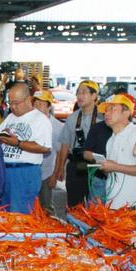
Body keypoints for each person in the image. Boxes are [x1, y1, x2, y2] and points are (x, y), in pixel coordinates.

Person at [0, 83, 51, 214]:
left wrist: (17, 143)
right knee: (2, 213)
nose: (12, 107)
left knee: (19, 214)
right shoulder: (10, 117)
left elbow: (45, 147)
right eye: (10, 103)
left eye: (16, 103)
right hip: (5, 170)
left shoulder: (40, 120)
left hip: (24, 173)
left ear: (28, 100)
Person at [94, 93, 136, 209]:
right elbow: (112, 171)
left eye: (112, 109)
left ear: (127, 112)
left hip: (131, 207)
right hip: (112, 204)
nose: (107, 113)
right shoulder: (111, 139)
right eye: (106, 110)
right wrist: (105, 167)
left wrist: (115, 167)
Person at [54, 80, 100, 208]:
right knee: (74, 204)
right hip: (77, 165)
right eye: (78, 92)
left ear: (94, 96)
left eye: (84, 92)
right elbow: (65, 144)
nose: (79, 96)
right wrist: (61, 167)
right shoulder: (73, 118)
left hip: (98, 167)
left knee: (97, 205)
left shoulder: (103, 117)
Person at [33, 90, 64, 215]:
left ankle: (52, 231)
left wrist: (55, 175)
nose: (37, 106)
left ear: (49, 106)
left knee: (46, 207)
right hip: (30, 172)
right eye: (35, 103)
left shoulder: (57, 126)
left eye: (41, 104)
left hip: (46, 174)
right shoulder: (29, 122)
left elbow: (60, 153)